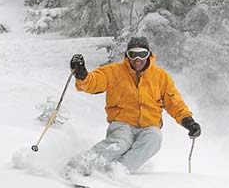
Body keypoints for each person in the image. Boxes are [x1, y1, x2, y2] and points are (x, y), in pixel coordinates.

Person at [67, 35, 201, 176]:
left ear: (149, 55)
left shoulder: (160, 77)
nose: (138, 59)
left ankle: (116, 170)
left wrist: (188, 121)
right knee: (120, 143)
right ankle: (79, 165)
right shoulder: (114, 71)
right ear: (127, 55)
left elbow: (174, 103)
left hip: (148, 126)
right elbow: (94, 82)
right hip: (123, 123)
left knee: (155, 138)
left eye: (142, 54)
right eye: (133, 54)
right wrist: (82, 75)